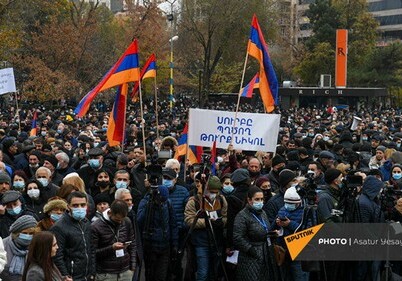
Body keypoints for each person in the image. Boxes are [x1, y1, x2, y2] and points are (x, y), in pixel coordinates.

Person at [184, 175, 227, 281]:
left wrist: (221, 222)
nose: (214, 194)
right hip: (201, 242)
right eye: (211, 191)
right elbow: (189, 220)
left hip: (216, 241)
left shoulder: (221, 199)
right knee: (203, 273)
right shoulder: (194, 201)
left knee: (214, 273)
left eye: (216, 192)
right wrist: (206, 223)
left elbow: (226, 216)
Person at [233, 185, 278, 281]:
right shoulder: (242, 216)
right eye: (257, 199)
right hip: (250, 258)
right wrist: (251, 250)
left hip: (266, 253)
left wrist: (271, 234)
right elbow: (237, 237)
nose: (260, 202)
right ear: (249, 200)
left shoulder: (263, 213)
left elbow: (265, 229)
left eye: (262, 199)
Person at [50, 191, 95, 281]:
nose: (80, 208)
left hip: (88, 276)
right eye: (75, 205)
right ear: (68, 206)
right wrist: (65, 275)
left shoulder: (86, 223)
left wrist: (92, 272)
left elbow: (91, 249)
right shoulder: (59, 227)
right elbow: (57, 256)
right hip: (72, 277)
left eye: (83, 205)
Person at [137, 184, 178, 281]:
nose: (161, 203)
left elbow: (173, 224)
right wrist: (150, 206)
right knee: (150, 275)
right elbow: (139, 221)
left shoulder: (168, 203)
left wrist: (175, 243)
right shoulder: (145, 202)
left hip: (165, 245)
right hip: (150, 245)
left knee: (161, 276)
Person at [91, 199, 136, 281]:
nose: (120, 222)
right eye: (117, 219)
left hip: (126, 271)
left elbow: (132, 244)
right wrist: (112, 248)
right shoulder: (96, 226)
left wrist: (132, 266)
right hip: (106, 273)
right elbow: (93, 253)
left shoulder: (126, 221)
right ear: (110, 212)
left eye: (122, 219)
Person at [0, 215, 38, 281]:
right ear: (16, 232)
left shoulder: (36, 246)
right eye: (24, 233)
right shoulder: (3, 245)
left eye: (31, 233)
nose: (28, 236)